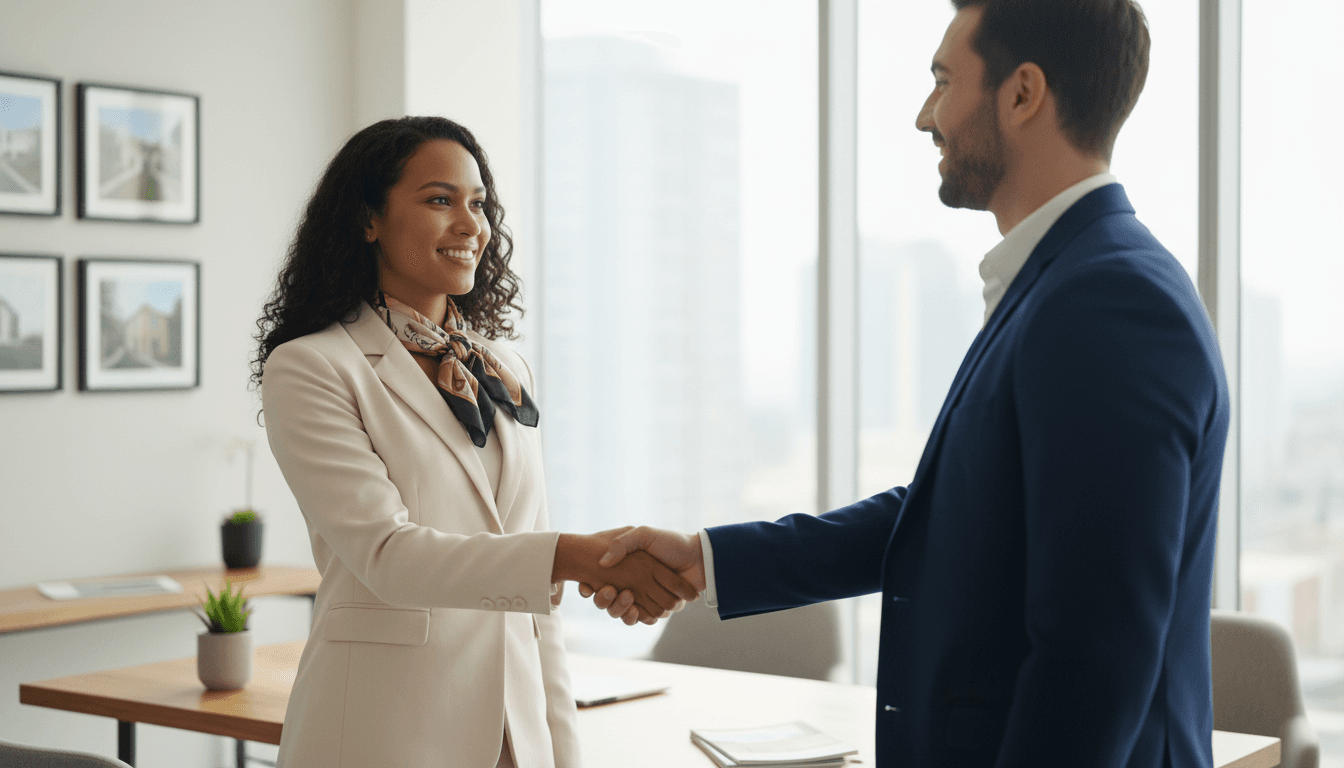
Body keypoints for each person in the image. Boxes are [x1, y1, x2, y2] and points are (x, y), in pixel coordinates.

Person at [587, 1, 1229, 765]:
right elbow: (949, 513)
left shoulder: (1109, 303)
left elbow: (1095, 657)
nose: (925, 116)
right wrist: (710, 560)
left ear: (1023, 93)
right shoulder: (1065, 284)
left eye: (943, 80)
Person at [253, 116, 696, 768]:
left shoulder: (504, 369)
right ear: (368, 219)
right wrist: (575, 557)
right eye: (440, 200)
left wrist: (559, 753)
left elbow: (536, 614)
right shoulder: (312, 368)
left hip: (516, 739)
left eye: (479, 203)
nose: (471, 225)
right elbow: (389, 556)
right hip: (384, 737)